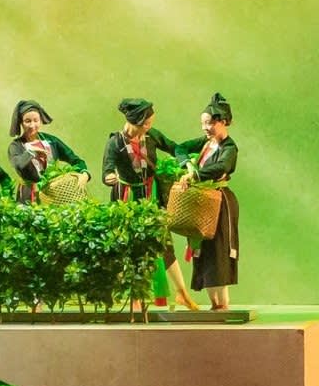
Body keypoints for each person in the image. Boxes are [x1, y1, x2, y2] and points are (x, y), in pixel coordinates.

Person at [101, 97, 196, 310]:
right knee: (132, 248)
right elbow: (107, 170)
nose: (149, 126)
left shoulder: (152, 136)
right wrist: (109, 177)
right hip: (127, 199)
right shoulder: (115, 142)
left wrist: (185, 163)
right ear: (135, 121)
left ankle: (181, 292)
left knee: (164, 243)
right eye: (146, 123)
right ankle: (135, 298)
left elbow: (174, 147)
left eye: (150, 122)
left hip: (152, 194)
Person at [187, 93, 240, 311]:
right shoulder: (206, 144)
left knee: (219, 252)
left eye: (209, 123)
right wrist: (186, 164)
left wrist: (195, 174)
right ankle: (214, 305)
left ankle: (223, 305)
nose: (205, 128)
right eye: (203, 124)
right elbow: (179, 148)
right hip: (203, 203)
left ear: (222, 122)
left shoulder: (229, 148)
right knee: (204, 251)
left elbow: (222, 167)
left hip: (220, 202)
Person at [6, 99, 87, 204]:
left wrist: (84, 173)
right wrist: (32, 152)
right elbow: (18, 164)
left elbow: (75, 160)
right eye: (27, 121)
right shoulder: (16, 146)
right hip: (28, 196)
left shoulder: (51, 141)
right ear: (21, 122)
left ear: (41, 121)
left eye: (36, 120)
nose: (32, 125)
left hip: (53, 194)